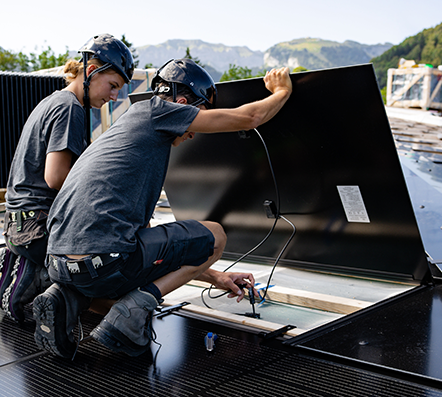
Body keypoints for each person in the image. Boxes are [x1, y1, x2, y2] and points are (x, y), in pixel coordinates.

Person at [33, 58, 293, 357]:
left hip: (60, 265)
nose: (194, 132)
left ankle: (65, 297)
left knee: (122, 263)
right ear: (182, 104)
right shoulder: (155, 111)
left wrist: (216, 276)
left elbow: (153, 251)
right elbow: (250, 117)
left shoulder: (127, 135)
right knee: (215, 235)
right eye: (200, 115)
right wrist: (281, 92)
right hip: (102, 263)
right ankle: (131, 313)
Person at [0, 34, 134, 322]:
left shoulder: (54, 101)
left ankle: (32, 270)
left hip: (18, 225)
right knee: (115, 270)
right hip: (39, 227)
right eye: (113, 86)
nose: (114, 97)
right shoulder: (70, 109)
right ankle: (48, 283)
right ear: (92, 71)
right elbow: (57, 177)